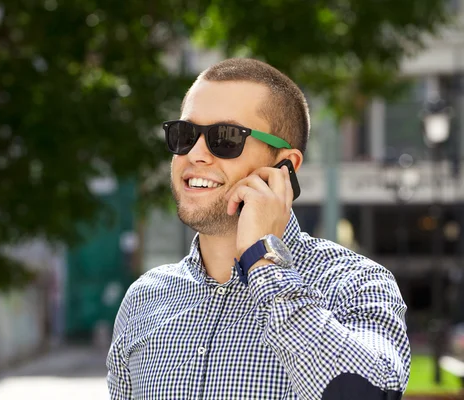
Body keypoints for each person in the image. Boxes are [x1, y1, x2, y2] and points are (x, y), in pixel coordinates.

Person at [107, 58, 410, 399]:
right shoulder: (144, 298)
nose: (196, 154)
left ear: (285, 165)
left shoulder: (355, 284)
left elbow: (366, 393)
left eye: (225, 138)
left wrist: (263, 261)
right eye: (185, 134)